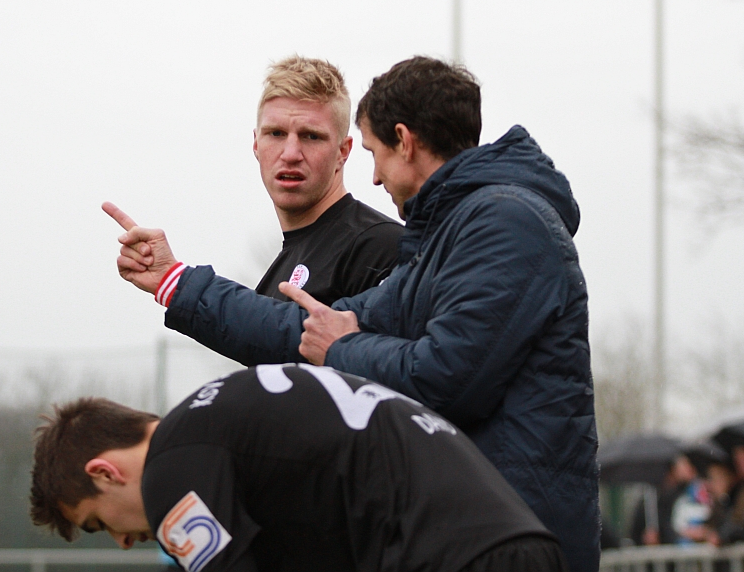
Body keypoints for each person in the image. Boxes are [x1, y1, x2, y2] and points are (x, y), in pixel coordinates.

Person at [103, 56, 599, 572]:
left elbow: (449, 379)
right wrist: (174, 283)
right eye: (275, 132)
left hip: (505, 537)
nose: (377, 177)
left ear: (402, 142)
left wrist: (342, 348)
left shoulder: (500, 223)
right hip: (457, 536)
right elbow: (306, 334)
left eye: (372, 152)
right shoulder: (443, 240)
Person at [30, 366, 568, 572]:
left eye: (100, 523)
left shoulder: (173, 468)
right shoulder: (220, 424)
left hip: (451, 557)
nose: (124, 543)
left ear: (104, 473)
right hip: (514, 541)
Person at [250, 56, 403, 305]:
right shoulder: (278, 270)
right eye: (276, 134)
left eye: (311, 136)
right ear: (256, 144)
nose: (290, 154)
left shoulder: (380, 248)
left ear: (343, 152)